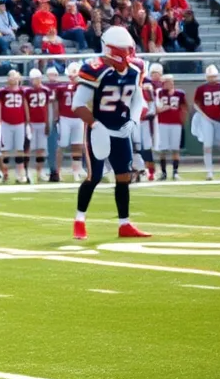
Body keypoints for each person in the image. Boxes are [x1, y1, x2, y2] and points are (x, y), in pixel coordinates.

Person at [70, 25, 150, 241]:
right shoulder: (94, 69)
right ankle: (79, 221)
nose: (126, 56)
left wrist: (133, 120)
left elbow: (138, 97)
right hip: (98, 129)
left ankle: (124, 224)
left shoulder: (136, 68)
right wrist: (95, 125)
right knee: (94, 177)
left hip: (121, 129)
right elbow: (77, 105)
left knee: (123, 177)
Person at [192, 65, 220, 180]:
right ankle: (209, 171)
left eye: (214, 76)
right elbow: (195, 103)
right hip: (207, 119)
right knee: (207, 145)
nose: (212, 79)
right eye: (210, 77)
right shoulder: (201, 88)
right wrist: (203, 114)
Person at [154, 74, 188, 180]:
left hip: (175, 123)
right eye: (165, 82)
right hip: (163, 123)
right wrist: (166, 108)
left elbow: (184, 107)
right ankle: (163, 173)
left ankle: (175, 172)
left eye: (169, 82)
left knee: (175, 149)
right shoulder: (159, 93)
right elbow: (157, 109)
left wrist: (181, 120)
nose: (167, 84)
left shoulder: (180, 94)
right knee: (163, 149)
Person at [24, 68, 52, 183]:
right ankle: (27, 172)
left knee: (41, 149)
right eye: (33, 79)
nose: (35, 81)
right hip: (32, 122)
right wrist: (28, 121)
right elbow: (25, 107)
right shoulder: (27, 92)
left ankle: (39, 172)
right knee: (29, 148)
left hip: (42, 121)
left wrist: (47, 122)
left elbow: (47, 108)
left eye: (37, 78)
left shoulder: (46, 90)